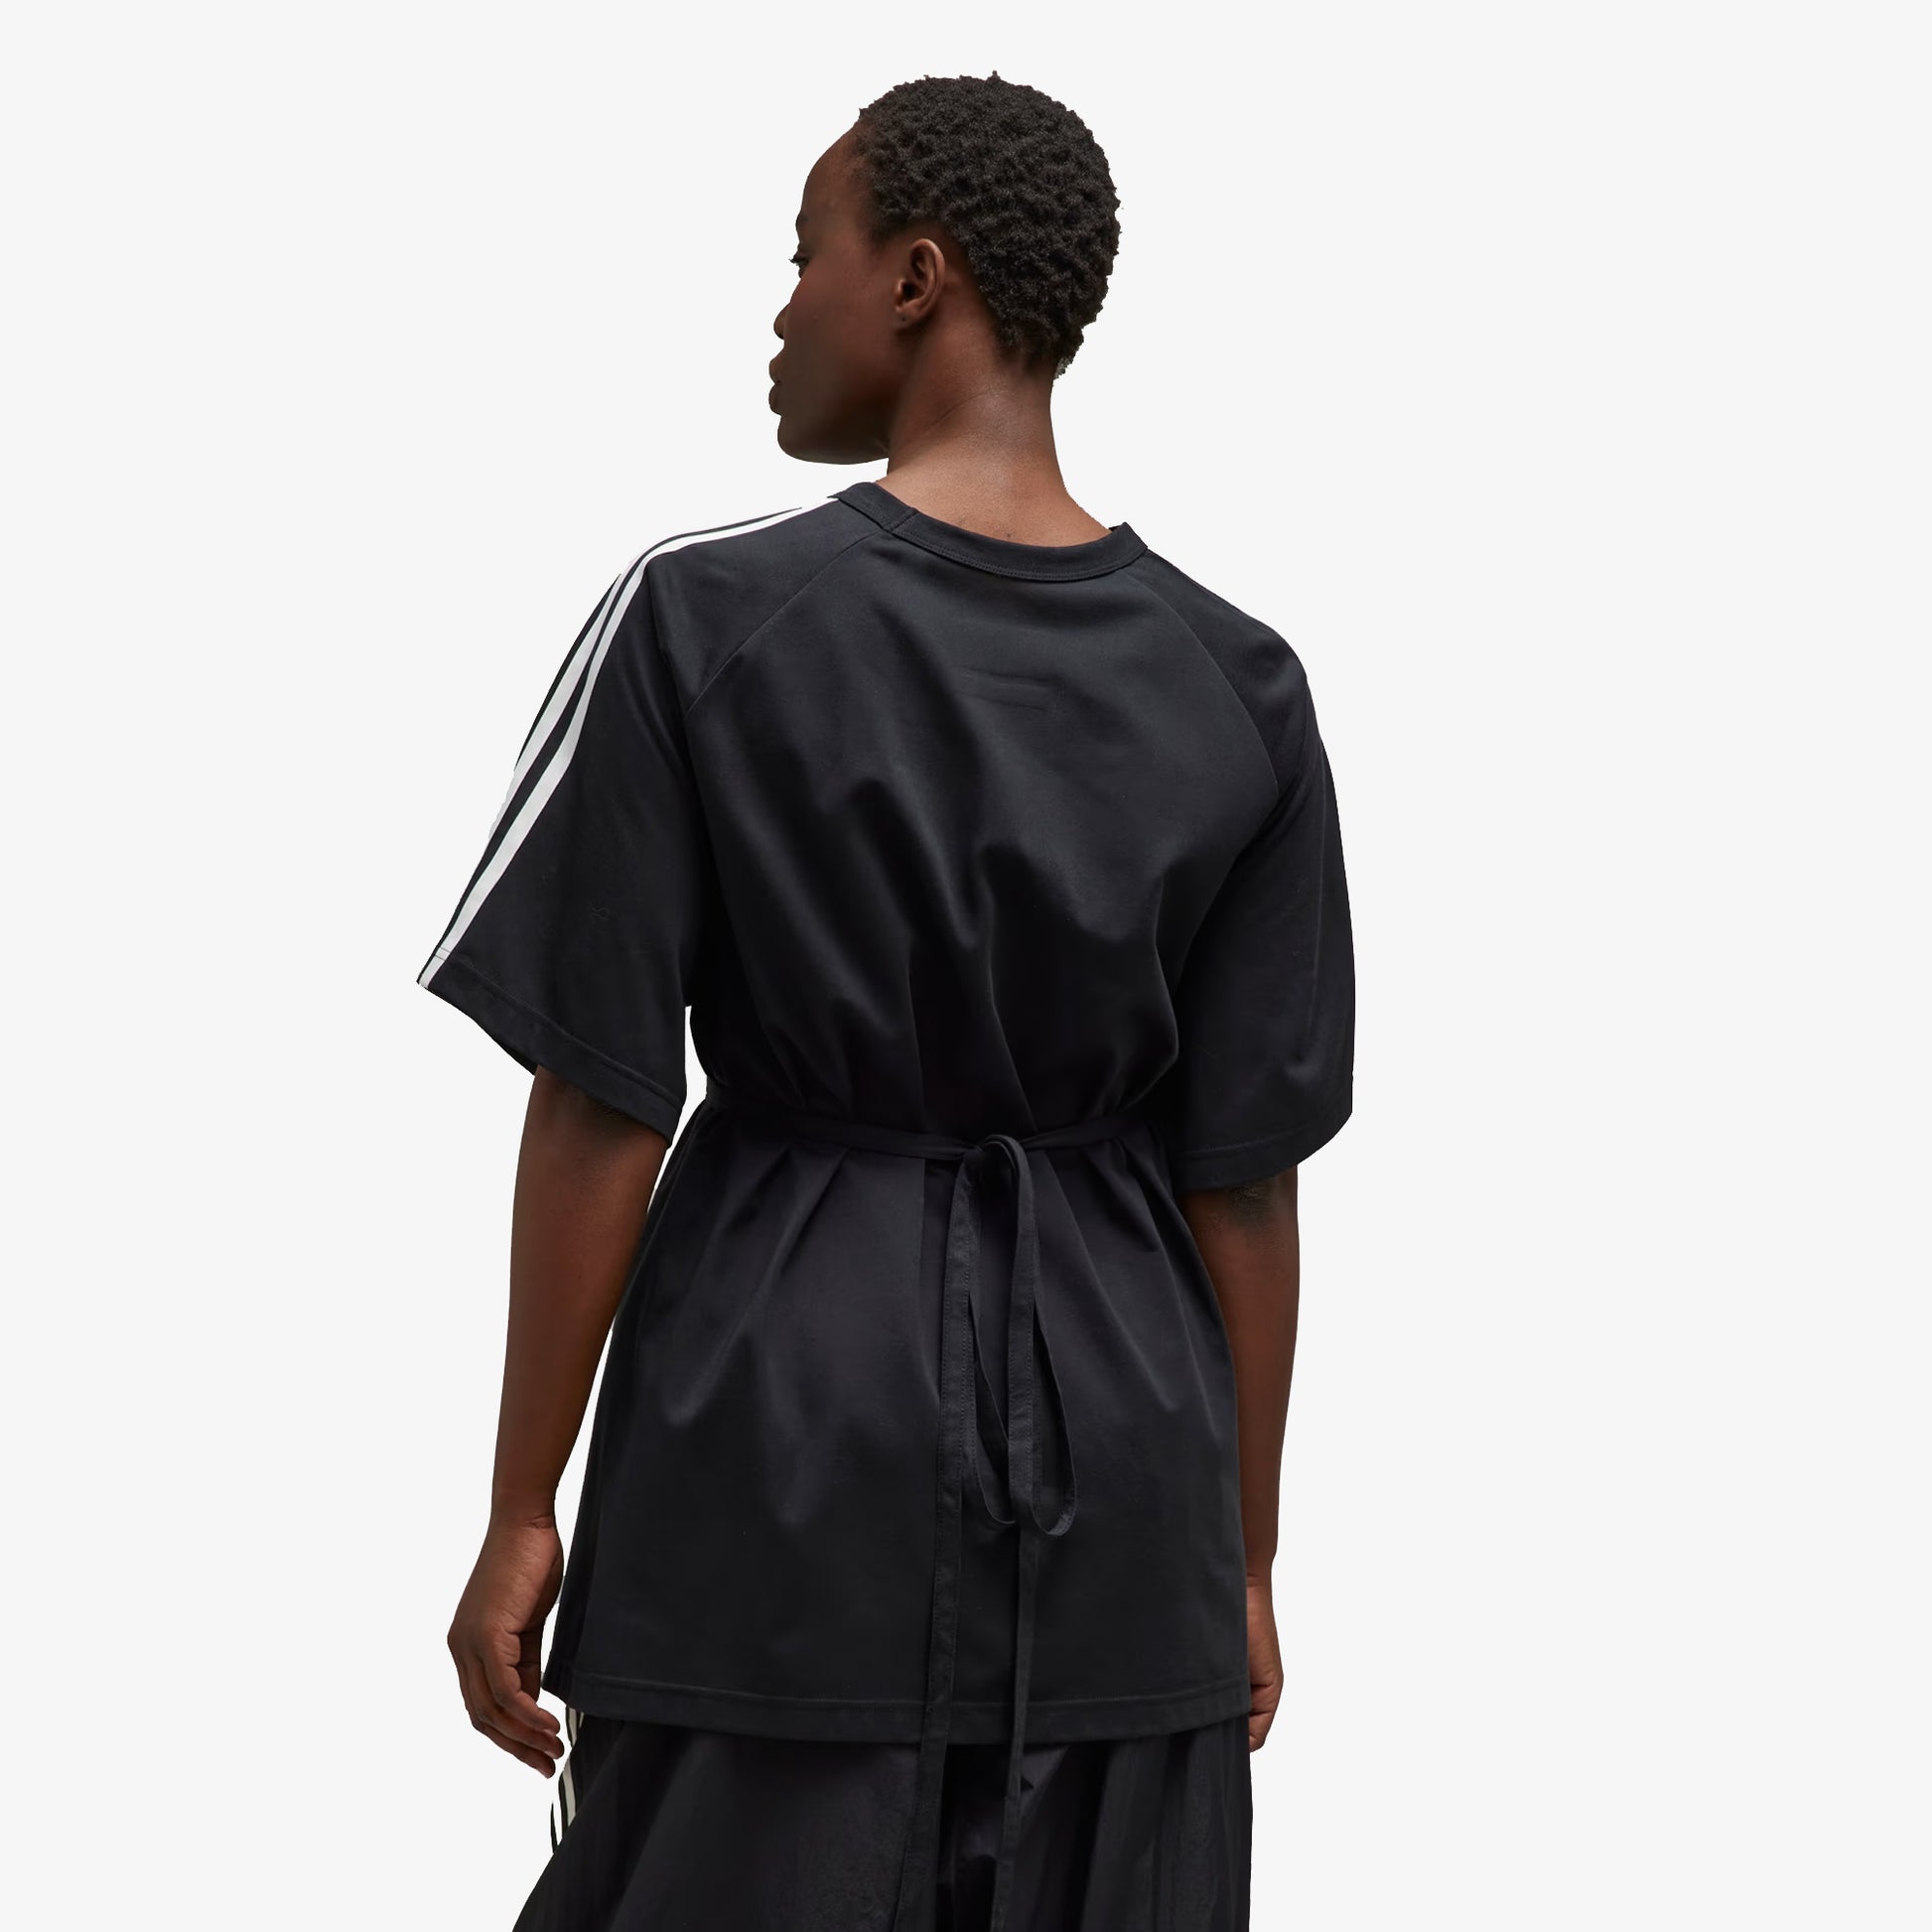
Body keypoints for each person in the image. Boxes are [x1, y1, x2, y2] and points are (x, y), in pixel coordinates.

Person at [419, 70, 1355, 1932]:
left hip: (771, 1431)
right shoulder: (1239, 681)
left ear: (916, 278)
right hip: (1129, 1475)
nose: (782, 306)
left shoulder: (700, 619)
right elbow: (1241, 1179)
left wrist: (524, 1503)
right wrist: (1242, 1558)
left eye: (805, 253)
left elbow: (605, 1096)